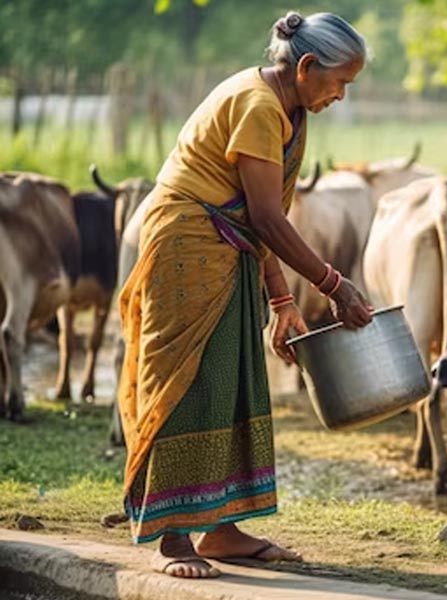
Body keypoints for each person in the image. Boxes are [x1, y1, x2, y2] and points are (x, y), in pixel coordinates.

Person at [117, 11, 373, 579]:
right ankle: (172, 535)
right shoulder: (258, 107)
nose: (342, 95)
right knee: (185, 380)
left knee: (234, 378)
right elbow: (265, 217)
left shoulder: (292, 110)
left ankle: (223, 529)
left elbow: (264, 218)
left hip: (229, 247)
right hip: (184, 243)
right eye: (340, 82)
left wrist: (282, 303)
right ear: (306, 67)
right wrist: (332, 284)